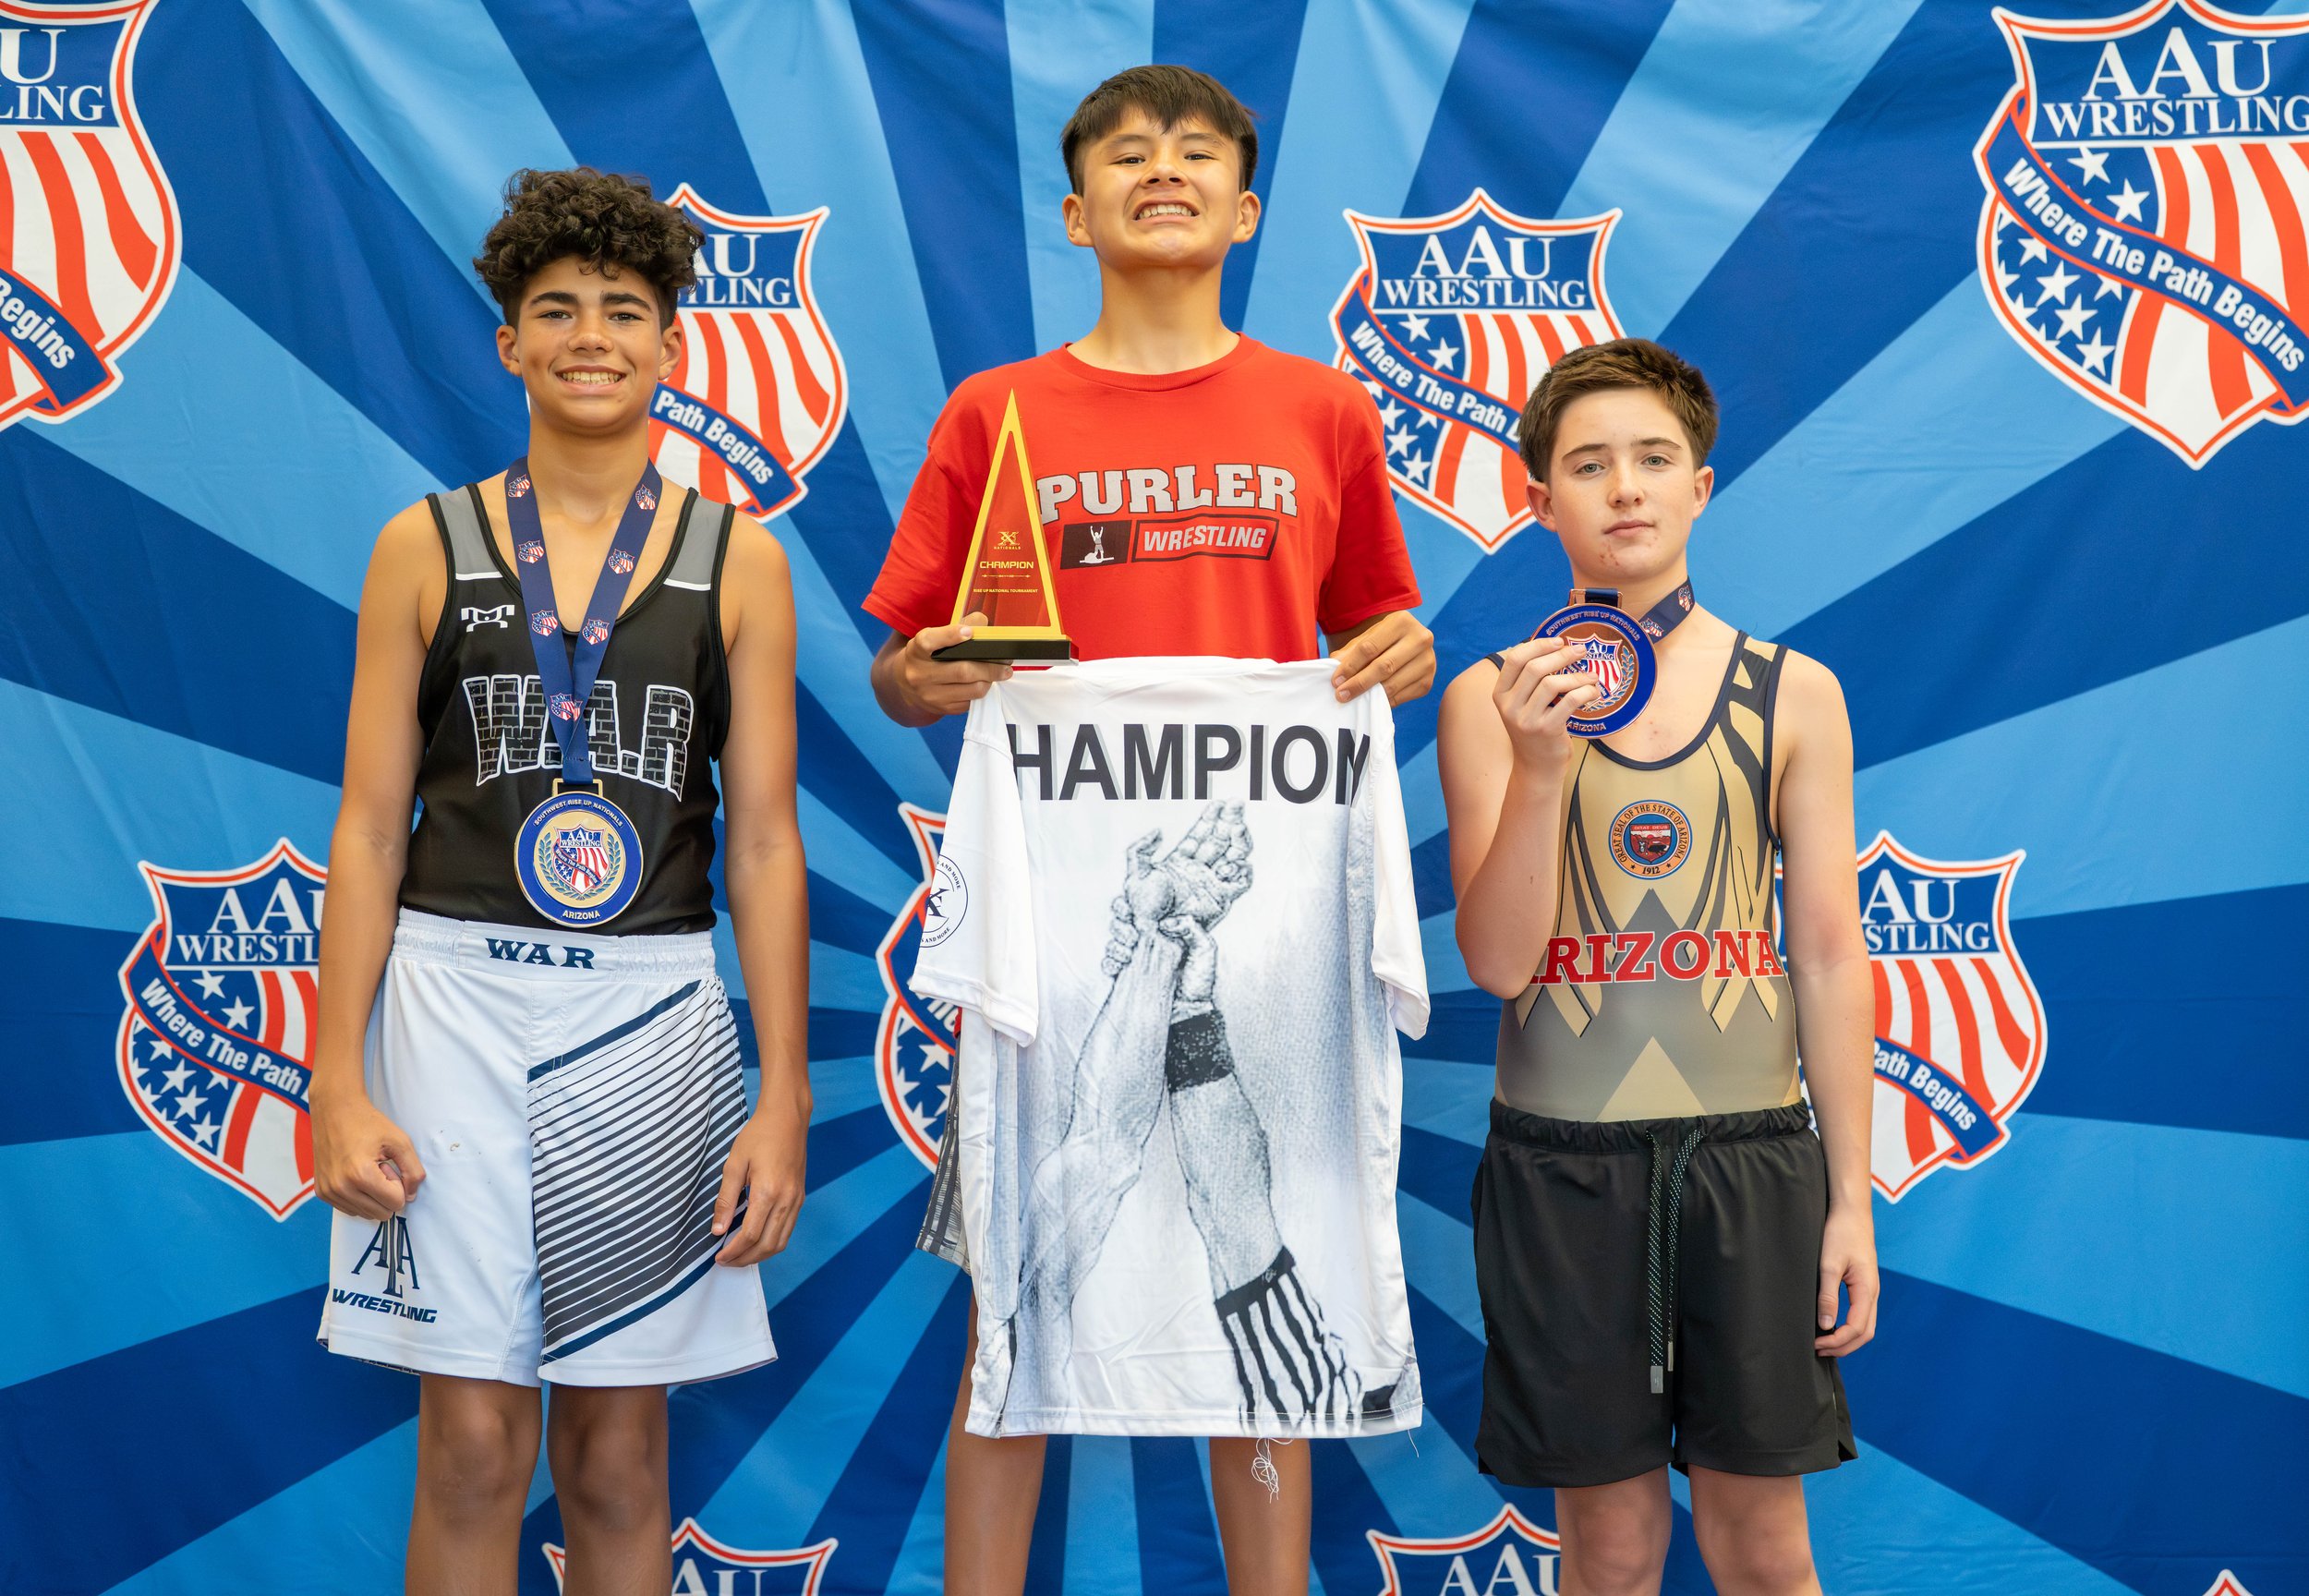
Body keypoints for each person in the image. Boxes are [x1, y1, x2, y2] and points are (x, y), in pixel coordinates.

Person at [862, 66, 1435, 1596]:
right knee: (1019, 1286)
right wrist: (938, 673)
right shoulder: (999, 412)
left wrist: (1400, 652)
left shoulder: (1323, 409)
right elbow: (902, 664)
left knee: (1259, 1258)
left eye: (1196, 154)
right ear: (1077, 210)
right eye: (1127, 152)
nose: (1161, 170)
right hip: (1061, 933)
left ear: (1246, 211)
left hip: (1261, 929)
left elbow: (1382, 630)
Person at [308, 167, 810, 1596]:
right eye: (557, 310)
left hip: (650, 1017)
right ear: (508, 345)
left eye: (626, 311)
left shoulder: (742, 564)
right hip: (451, 996)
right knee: (469, 1443)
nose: (591, 334)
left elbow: (765, 842)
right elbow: (365, 827)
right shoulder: (424, 542)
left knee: (614, 1455)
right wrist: (335, 1077)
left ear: (673, 346)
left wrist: (781, 1093)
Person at [1437, 337, 1877, 1596]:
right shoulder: (1491, 702)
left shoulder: (1794, 693)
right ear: (1537, 500)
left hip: (1749, 1159)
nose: (1624, 487)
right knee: (1611, 1550)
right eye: (1588, 465)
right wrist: (1538, 772)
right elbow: (1503, 965)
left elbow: (1833, 954)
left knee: (1762, 1541)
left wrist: (1850, 1198)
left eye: (1652, 459)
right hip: (1562, 1174)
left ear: (1702, 485)